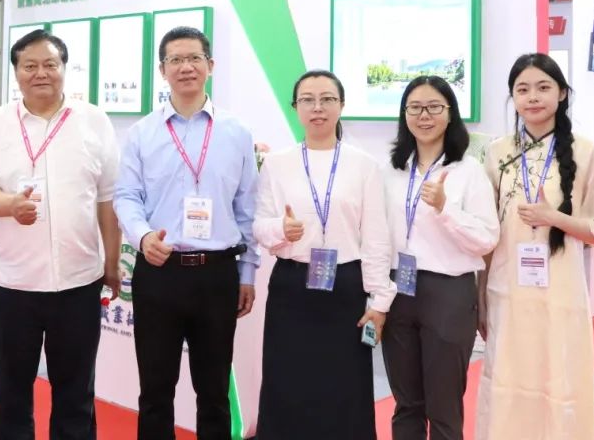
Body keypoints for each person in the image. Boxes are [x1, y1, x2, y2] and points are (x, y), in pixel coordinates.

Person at [0, 29, 121, 440]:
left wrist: (111, 262)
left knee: (76, 392)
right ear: (16, 72)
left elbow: (107, 198)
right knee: (11, 393)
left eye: (50, 64)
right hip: (14, 283)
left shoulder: (94, 120)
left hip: (79, 282)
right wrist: (8, 205)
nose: (41, 73)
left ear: (64, 68)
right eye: (30, 66)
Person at [114, 27, 260, 440]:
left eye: (194, 58)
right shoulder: (142, 132)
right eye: (175, 60)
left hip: (217, 274)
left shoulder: (236, 132)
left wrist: (247, 273)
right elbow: (126, 196)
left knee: (213, 392)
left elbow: (247, 207)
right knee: (155, 390)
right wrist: (143, 237)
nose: (186, 67)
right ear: (162, 71)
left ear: (210, 66)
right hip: (159, 271)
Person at [476, 53, 594, 440]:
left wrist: (555, 218)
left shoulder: (585, 152)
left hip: (560, 291)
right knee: (506, 376)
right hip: (506, 287)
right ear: (513, 98)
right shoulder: (498, 153)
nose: (533, 97)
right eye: (523, 89)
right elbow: (487, 232)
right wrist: (480, 295)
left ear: (562, 94)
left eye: (543, 87)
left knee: (560, 376)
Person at [252, 69, 392, 440]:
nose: (318, 108)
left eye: (327, 99)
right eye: (308, 100)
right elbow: (259, 225)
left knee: (344, 384)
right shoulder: (277, 163)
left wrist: (380, 301)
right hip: (291, 286)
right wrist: (281, 230)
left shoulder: (363, 165)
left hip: (345, 286)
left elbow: (376, 238)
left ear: (341, 105)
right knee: (287, 381)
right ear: (296, 107)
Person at [381, 76, 499, 440]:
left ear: (450, 114)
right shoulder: (391, 170)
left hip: (448, 293)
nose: (424, 116)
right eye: (415, 107)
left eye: (434, 107)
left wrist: (446, 209)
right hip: (398, 290)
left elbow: (486, 238)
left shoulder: (468, 170)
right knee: (406, 403)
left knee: (444, 406)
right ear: (404, 114)